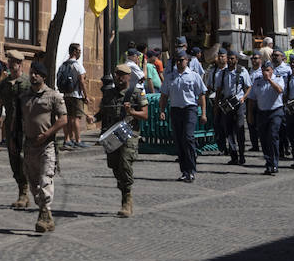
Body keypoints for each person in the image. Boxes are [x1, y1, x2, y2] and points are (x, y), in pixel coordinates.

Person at [20, 62, 67, 233]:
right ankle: (47, 216)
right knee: (33, 184)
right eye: (31, 73)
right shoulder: (24, 97)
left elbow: (63, 119)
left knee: (45, 180)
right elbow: (19, 121)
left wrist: (47, 134)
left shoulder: (53, 96)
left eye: (37, 73)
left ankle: (42, 214)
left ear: (44, 76)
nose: (33, 76)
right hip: (30, 145)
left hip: (46, 146)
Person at [99, 65, 148, 216]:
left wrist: (132, 111)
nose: (119, 78)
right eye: (117, 75)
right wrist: (93, 118)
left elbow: (145, 114)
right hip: (112, 134)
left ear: (129, 76)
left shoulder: (136, 92)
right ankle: (123, 188)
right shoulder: (109, 93)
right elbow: (102, 112)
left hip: (129, 134)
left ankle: (127, 197)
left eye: (122, 75)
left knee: (125, 163)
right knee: (114, 165)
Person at [159, 48, 207, 181]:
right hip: (175, 110)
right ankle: (184, 170)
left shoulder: (193, 76)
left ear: (187, 61)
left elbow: (201, 95)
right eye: (177, 61)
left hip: (190, 109)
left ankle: (191, 169)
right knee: (179, 140)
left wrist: (203, 113)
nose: (180, 63)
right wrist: (162, 111)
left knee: (188, 137)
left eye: (182, 60)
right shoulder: (170, 77)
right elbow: (164, 96)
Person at [0, 51, 30, 209]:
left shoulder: (29, 83)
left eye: (14, 62)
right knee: (14, 158)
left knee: (25, 157)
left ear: (20, 64)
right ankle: (22, 191)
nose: (11, 64)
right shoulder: (3, 84)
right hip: (10, 126)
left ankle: (30, 189)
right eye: (9, 62)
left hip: (27, 125)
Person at [249, 52, 285, 175]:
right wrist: (250, 114)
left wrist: (269, 80)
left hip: (275, 112)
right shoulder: (257, 81)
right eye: (263, 70)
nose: (265, 72)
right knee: (264, 139)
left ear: (272, 70)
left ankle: (275, 163)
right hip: (262, 112)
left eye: (268, 70)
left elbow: (279, 90)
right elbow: (252, 99)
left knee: (272, 136)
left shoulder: (278, 78)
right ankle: (269, 163)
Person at [58, 43, 89, 149]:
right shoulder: (77, 65)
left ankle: (67, 139)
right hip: (76, 95)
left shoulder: (64, 64)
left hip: (66, 95)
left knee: (68, 118)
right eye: (79, 51)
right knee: (76, 119)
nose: (80, 53)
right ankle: (78, 140)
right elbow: (82, 81)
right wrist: (86, 95)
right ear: (75, 52)